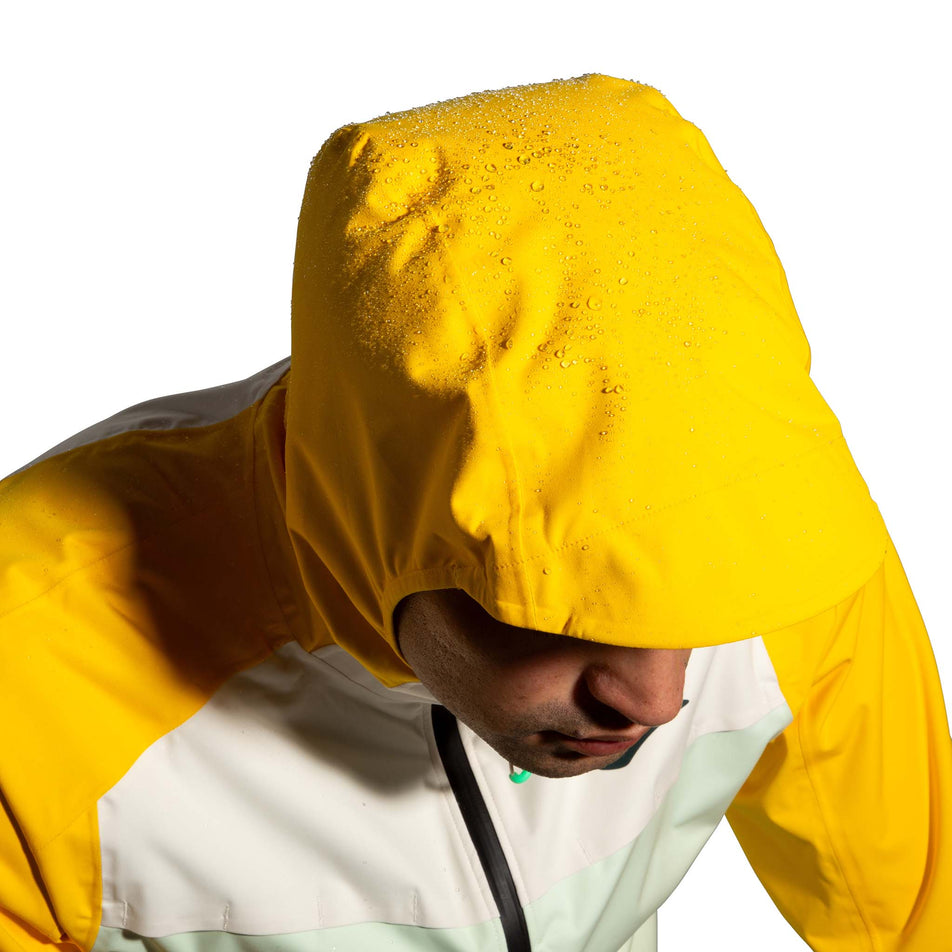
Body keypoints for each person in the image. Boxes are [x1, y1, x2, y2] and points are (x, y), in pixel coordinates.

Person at [0, 73, 948, 952]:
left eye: (694, 597)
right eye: (560, 603)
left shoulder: (774, 535)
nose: (659, 699)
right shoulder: (29, 667)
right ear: (379, 518)